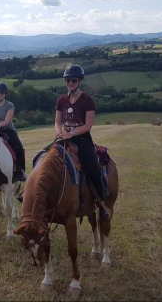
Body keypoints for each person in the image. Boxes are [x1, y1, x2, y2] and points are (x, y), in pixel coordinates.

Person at [54, 64, 109, 220]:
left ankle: (101, 203)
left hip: (82, 139)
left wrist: (70, 133)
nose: (70, 83)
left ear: (79, 81)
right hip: (63, 136)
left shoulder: (87, 100)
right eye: (68, 80)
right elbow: (57, 122)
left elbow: (88, 125)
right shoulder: (61, 101)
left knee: (93, 168)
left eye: (73, 80)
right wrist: (59, 132)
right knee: (42, 157)